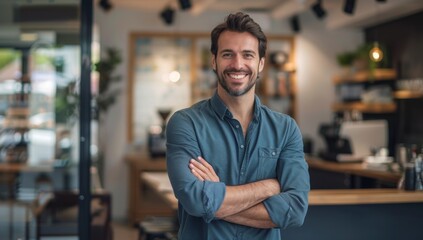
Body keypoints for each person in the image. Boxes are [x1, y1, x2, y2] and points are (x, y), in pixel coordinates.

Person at [166, 12, 310, 240]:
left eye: (248, 55)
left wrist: (216, 199)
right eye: (227, 54)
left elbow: (295, 210)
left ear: (261, 63)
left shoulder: (286, 129)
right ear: (214, 60)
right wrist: (269, 187)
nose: (238, 64)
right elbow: (195, 201)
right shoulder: (186, 123)